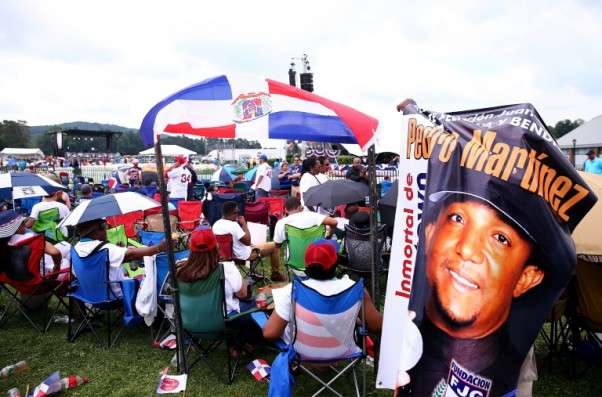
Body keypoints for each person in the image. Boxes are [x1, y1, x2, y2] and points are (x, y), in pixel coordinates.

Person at [262, 239, 383, 344]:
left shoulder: (292, 291)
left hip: (301, 353)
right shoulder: (355, 289)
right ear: (336, 264)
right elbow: (377, 326)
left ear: (306, 266)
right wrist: (350, 318)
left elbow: (270, 334)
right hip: (343, 350)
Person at [176, 227, 255, 356]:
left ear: (191, 248)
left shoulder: (179, 268)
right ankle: (236, 345)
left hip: (188, 323)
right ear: (216, 246)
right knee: (251, 303)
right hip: (221, 326)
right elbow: (244, 295)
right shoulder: (226, 269)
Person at [73, 218, 168, 298]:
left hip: (88, 294)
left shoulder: (76, 248)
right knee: (153, 282)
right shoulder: (105, 249)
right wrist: (158, 248)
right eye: (104, 227)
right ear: (95, 230)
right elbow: (131, 255)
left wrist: (118, 249)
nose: (106, 231)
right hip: (115, 294)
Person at [212, 201, 285, 282]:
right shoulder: (233, 225)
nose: (238, 214)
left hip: (229, 256)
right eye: (237, 212)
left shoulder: (215, 225)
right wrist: (244, 224)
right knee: (275, 246)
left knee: (255, 244)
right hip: (245, 256)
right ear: (230, 214)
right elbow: (247, 241)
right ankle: (275, 274)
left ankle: (254, 272)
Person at [0, 210, 71, 280]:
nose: (25, 225)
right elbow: (55, 253)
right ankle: (74, 283)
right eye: (24, 222)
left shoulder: (4, 244)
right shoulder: (29, 238)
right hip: (42, 278)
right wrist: (57, 266)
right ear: (18, 227)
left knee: (65, 245)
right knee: (67, 259)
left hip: (20, 280)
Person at [272, 197, 338, 249]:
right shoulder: (313, 216)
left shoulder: (281, 223)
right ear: (299, 208)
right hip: (315, 259)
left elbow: (277, 246)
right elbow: (334, 222)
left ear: (286, 210)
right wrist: (329, 234)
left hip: (294, 262)